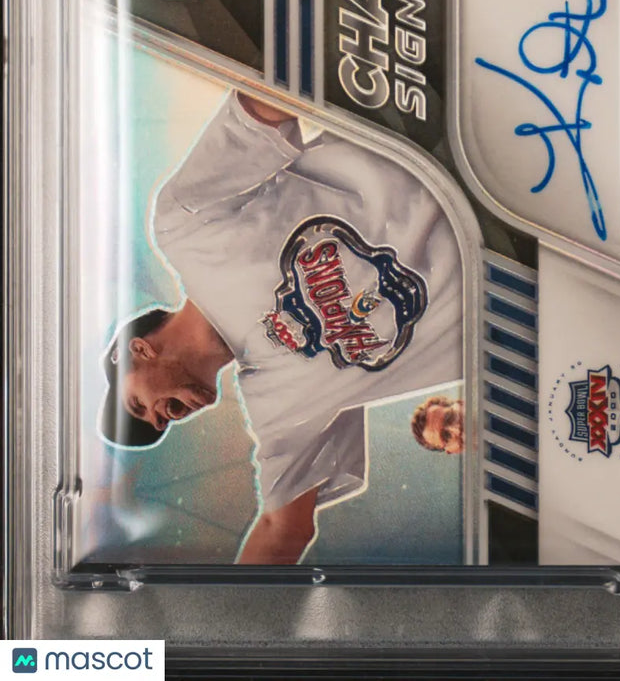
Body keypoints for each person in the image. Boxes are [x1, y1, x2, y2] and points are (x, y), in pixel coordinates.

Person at [99, 91, 465, 564]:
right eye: (159, 425)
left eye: (137, 404)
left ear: (138, 350)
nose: (159, 417)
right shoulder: (278, 412)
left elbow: (266, 102)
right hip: (520, 271)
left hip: (453, 146)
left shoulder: (184, 229)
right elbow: (282, 530)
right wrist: (226, 614)